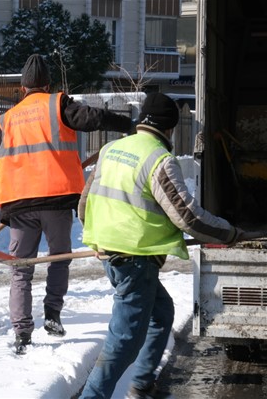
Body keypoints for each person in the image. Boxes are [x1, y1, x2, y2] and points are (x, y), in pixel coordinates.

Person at [77, 92, 248, 398]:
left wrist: (100, 235)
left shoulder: (111, 149)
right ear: (169, 129)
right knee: (124, 341)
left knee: (162, 312)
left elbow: (84, 204)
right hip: (134, 260)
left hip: (111, 253)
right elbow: (188, 218)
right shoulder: (158, 159)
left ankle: (141, 383)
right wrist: (230, 233)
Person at [0, 54, 133, 354]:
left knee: (21, 268)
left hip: (18, 203)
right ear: (48, 85)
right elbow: (91, 118)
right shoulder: (57, 104)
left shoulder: (8, 119)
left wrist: (6, 211)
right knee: (59, 257)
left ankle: (21, 331)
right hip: (55, 199)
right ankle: (53, 315)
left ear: (22, 89)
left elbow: (8, 162)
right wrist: (127, 124)